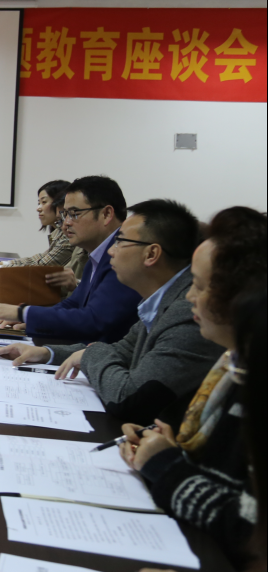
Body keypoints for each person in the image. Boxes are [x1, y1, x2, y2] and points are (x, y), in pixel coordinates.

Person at [117, 207, 266, 567]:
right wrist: (167, 448)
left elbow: (246, 527)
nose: (189, 297)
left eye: (199, 286)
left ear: (242, 298)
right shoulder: (232, 366)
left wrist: (164, 464)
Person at [0, 199, 223, 426]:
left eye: (120, 241)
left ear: (151, 254)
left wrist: (90, 354)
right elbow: (122, 349)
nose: (111, 250)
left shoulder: (186, 312)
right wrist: (46, 353)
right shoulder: (160, 299)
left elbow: (129, 398)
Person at [0, 175, 142, 343]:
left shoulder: (124, 256)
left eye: (74, 214)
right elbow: (72, 304)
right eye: (64, 215)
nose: (65, 224)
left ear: (106, 214)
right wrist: (30, 319)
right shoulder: (97, 252)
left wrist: (23, 313)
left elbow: (93, 321)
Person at [0, 179, 72, 274]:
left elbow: (42, 267)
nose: (38, 208)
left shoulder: (68, 236)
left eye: (44, 202)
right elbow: (38, 259)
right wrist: (1, 264)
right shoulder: (59, 232)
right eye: (39, 203)